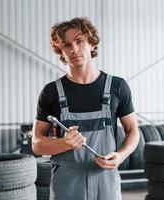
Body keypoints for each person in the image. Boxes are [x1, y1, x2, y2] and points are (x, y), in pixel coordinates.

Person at [32, 17, 140, 200]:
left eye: (79, 41)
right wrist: (64, 143)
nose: (73, 49)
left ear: (91, 43)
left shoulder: (117, 86)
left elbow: (132, 130)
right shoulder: (51, 92)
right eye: (66, 45)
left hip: (105, 179)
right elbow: (36, 144)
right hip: (67, 183)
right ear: (61, 51)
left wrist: (121, 156)